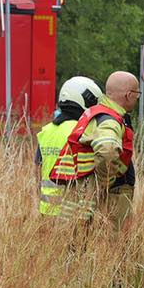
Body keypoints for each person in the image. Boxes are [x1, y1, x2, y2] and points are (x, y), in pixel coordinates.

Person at [49, 70, 140, 226]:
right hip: (103, 199)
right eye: (137, 94)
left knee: (78, 243)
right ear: (128, 95)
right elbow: (107, 150)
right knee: (107, 246)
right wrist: (105, 184)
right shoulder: (109, 120)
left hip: (81, 195)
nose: (137, 99)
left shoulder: (95, 113)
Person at [36, 76, 102, 217]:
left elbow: (38, 172)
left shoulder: (46, 131)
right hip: (74, 211)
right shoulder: (84, 131)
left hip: (47, 209)